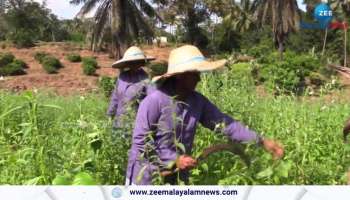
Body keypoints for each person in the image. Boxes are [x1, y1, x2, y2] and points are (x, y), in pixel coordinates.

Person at [125, 45, 284, 185]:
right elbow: (140, 143)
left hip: (177, 178)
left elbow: (226, 124)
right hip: (147, 178)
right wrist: (174, 160)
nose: (199, 78)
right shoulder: (154, 101)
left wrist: (261, 141)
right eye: (195, 73)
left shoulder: (197, 102)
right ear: (180, 75)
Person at [107, 46, 156, 128]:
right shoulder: (122, 76)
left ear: (141, 62)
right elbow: (115, 97)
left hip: (134, 124)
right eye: (131, 62)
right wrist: (110, 114)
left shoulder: (145, 79)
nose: (134, 64)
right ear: (128, 63)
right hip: (118, 122)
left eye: (136, 62)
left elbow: (152, 101)